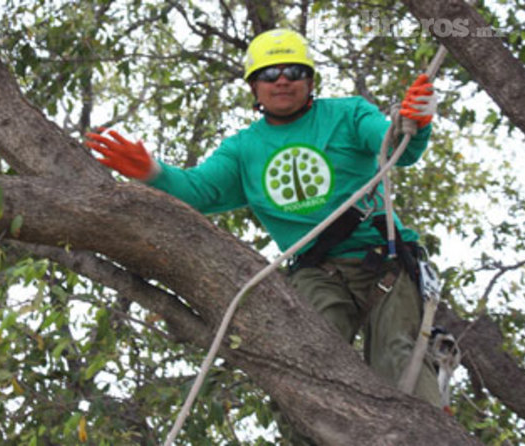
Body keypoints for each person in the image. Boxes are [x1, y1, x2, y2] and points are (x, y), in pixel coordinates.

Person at [85, 28, 441, 410]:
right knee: (311, 368)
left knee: (403, 367)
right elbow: (197, 193)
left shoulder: (347, 114)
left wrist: (415, 122)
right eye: (270, 74)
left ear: (310, 80)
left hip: (383, 258)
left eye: (293, 71)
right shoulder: (244, 150)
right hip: (317, 272)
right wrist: (152, 172)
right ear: (254, 87)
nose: (282, 79)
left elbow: (395, 147)